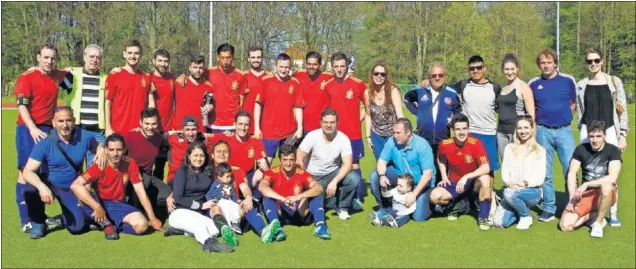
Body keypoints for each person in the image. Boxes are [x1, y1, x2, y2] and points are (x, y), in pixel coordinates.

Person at [21, 107, 107, 239]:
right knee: (30, 188)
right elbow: (27, 171)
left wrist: (101, 148)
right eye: (60, 121)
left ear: (74, 121)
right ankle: (38, 222)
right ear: (53, 123)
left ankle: (64, 218)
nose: (65, 125)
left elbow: (99, 146)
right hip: (50, 184)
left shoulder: (84, 136)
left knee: (77, 228)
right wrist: (43, 188)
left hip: (72, 187)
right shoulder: (45, 141)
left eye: (68, 120)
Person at [14, 43, 68, 233]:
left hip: (48, 130)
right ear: (38, 57)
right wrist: (32, 128)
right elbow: (21, 106)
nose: (49, 61)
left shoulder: (57, 75)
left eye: (52, 58)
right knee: (25, 173)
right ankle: (26, 220)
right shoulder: (26, 78)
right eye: (45, 57)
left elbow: (74, 71)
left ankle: (40, 217)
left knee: (43, 173)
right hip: (28, 129)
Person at [70, 134, 163, 240]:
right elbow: (75, 185)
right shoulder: (100, 164)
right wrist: (96, 206)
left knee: (142, 226)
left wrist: (153, 218)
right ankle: (106, 225)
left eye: (118, 150)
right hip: (100, 203)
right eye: (111, 150)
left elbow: (140, 190)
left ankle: (111, 224)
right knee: (84, 188)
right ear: (106, 150)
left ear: (124, 150)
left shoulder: (130, 162)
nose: (115, 154)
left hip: (118, 205)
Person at [576, 48, 628, 226]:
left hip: (611, 130)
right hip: (587, 132)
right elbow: (580, 111)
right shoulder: (581, 84)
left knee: (610, 172)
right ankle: (588, 208)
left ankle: (612, 212)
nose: (593, 64)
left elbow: (622, 109)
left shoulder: (614, 82)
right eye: (589, 61)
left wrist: (623, 134)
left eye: (596, 60)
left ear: (602, 61)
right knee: (588, 170)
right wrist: (581, 129)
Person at [528, 48, 577, 222]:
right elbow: (531, 107)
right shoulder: (533, 83)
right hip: (543, 131)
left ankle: (573, 206)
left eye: (549, 62)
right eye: (543, 62)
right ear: (539, 65)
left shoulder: (568, 80)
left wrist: (563, 117)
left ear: (555, 62)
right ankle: (549, 207)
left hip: (564, 131)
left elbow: (573, 103)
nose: (546, 65)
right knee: (545, 172)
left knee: (570, 169)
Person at [164, 141, 235, 253]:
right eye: (195, 155)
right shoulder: (182, 171)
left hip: (197, 213)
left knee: (215, 230)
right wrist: (201, 205)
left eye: (201, 155)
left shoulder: (209, 172)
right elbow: (178, 197)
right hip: (179, 212)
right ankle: (209, 243)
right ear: (189, 156)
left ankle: (179, 231)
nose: (198, 159)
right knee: (197, 226)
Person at [206, 140, 280, 244]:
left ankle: (263, 231)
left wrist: (248, 197)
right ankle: (225, 230)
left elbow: (245, 188)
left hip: (233, 207)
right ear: (212, 155)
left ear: (229, 154)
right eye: (219, 151)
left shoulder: (236, 170)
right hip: (215, 209)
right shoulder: (207, 171)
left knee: (247, 205)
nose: (222, 154)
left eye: (225, 151)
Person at [429, 114, 493, 231]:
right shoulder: (445, 144)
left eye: (464, 129)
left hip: (473, 182)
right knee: (434, 196)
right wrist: (444, 176)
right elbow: (440, 159)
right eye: (458, 129)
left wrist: (466, 177)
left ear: (468, 129)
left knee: (485, 178)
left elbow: (486, 168)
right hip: (454, 183)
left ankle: (483, 217)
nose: (461, 132)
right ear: (453, 130)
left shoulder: (476, 143)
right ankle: (460, 204)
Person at [559, 121, 622, 238]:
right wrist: (572, 198)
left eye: (598, 136)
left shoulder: (613, 150)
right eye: (591, 136)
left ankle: (598, 224)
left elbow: (612, 177)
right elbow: (572, 173)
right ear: (588, 136)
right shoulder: (581, 149)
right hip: (587, 194)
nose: (595, 140)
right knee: (565, 226)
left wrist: (587, 184)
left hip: (606, 193)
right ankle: (593, 214)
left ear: (604, 136)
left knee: (607, 186)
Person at [323, 52, 370, 207]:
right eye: (336, 66)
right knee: (336, 165)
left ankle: (357, 197)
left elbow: (368, 107)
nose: (339, 70)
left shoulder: (358, 84)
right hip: (334, 135)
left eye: (342, 66)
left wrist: (358, 119)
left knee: (354, 165)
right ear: (332, 67)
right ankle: (336, 196)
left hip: (353, 134)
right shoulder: (328, 85)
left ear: (347, 66)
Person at [297, 108, 361, 220]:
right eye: (326, 122)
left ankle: (343, 207)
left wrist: (334, 182)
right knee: (312, 207)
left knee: (354, 178)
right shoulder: (312, 136)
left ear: (337, 123)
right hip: (313, 176)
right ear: (320, 123)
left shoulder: (343, 138)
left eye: (332, 122)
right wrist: (306, 180)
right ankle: (330, 201)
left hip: (332, 173)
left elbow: (348, 164)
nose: (329, 125)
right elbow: (299, 158)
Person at [369, 118, 436, 223]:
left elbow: (428, 174)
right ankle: (385, 207)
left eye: (398, 133)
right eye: (394, 132)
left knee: (418, 217)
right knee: (374, 176)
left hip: (421, 183)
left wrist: (414, 195)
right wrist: (382, 175)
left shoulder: (422, 145)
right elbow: (381, 161)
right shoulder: (391, 141)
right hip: (401, 177)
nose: (395, 136)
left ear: (408, 132)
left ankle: (433, 206)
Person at [259, 145, 331, 241]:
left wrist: (298, 197)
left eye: (291, 160)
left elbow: (318, 188)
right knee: (267, 197)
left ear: (295, 159)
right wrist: (283, 199)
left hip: (299, 211)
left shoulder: (301, 173)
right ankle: (277, 228)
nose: (288, 163)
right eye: (285, 160)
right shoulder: (272, 172)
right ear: (280, 160)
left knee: (316, 194)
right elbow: (262, 187)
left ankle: (320, 226)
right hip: (281, 212)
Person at [404, 63, 461, 184]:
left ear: (445, 76)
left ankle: (440, 199)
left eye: (440, 75)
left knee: (442, 171)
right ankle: (425, 197)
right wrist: (417, 113)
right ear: (429, 77)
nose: (437, 78)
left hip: (443, 139)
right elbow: (406, 99)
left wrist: (452, 120)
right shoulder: (420, 90)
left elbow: (458, 110)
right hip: (424, 139)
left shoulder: (451, 93)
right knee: (424, 170)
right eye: (434, 75)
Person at [451, 55, 501, 185]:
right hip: (470, 133)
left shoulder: (494, 87)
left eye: (479, 67)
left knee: (488, 169)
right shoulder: (463, 85)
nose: (476, 70)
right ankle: (469, 200)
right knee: (469, 166)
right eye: (472, 68)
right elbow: (442, 87)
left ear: (485, 69)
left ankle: (489, 198)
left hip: (489, 134)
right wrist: (428, 81)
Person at [492, 115, 546, 230]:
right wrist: (510, 182)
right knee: (499, 223)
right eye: (520, 128)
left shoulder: (540, 150)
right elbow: (505, 172)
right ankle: (518, 209)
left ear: (532, 129)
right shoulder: (509, 148)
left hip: (532, 191)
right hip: (512, 189)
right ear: (516, 130)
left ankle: (526, 216)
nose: (523, 131)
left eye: (526, 128)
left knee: (508, 193)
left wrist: (524, 183)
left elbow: (540, 178)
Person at [60, 44, 108, 168]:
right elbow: (50, 77)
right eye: (91, 56)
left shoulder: (106, 78)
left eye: (98, 57)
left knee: (95, 170)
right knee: (74, 168)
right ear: (85, 57)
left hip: (97, 132)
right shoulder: (72, 75)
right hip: (77, 131)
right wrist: (37, 68)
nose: (94, 60)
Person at [123, 108, 172, 221]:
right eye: (147, 124)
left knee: (168, 194)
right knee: (145, 182)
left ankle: (150, 206)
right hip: (132, 177)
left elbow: (171, 137)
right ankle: (135, 209)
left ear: (158, 123)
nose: (150, 127)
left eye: (154, 124)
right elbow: (115, 153)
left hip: (148, 176)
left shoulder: (158, 138)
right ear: (140, 123)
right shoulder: (129, 137)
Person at [253, 53, 304, 160]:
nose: (284, 70)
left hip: (289, 133)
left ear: (290, 68)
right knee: (264, 166)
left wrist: (300, 128)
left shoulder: (295, 83)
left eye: (286, 67)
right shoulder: (265, 81)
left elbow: (298, 107)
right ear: (276, 66)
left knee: (288, 165)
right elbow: (258, 105)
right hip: (269, 133)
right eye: (281, 67)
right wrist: (257, 128)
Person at [105, 39, 155, 136]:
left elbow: (150, 105)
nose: (133, 56)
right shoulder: (114, 76)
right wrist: (108, 128)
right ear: (124, 54)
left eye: (136, 53)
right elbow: (108, 103)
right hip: (118, 131)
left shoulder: (146, 78)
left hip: (140, 132)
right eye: (130, 53)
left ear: (140, 55)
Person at [496, 53, 535, 158]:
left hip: (517, 132)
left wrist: (532, 137)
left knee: (518, 164)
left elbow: (531, 115)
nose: (510, 72)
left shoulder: (523, 87)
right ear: (503, 70)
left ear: (517, 68)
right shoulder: (503, 87)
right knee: (506, 165)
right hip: (501, 132)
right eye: (507, 69)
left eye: (512, 69)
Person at [165, 116, 221, 185]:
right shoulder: (173, 139)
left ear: (198, 130)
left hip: (196, 180)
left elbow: (223, 137)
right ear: (182, 130)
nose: (191, 133)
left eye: (193, 129)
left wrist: (229, 133)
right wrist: (171, 132)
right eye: (187, 130)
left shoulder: (203, 141)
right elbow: (156, 136)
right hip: (175, 180)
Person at [365, 63, 404, 160]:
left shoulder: (392, 91)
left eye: (382, 74)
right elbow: (368, 115)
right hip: (376, 134)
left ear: (386, 77)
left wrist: (403, 132)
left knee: (394, 162)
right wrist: (368, 136)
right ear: (372, 75)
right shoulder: (367, 92)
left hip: (392, 133)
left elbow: (400, 114)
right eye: (376, 73)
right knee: (380, 162)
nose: (379, 76)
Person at [226, 111, 269, 200]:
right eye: (240, 124)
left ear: (249, 126)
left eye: (246, 124)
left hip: (247, 177)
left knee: (262, 173)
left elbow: (263, 161)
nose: (243, 127)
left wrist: (263, 164)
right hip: (230, 177)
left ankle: (257, 200)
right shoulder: (226, 138)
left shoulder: (255, 141)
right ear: (234, 124)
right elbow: (205, 137)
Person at [205, 43, 247, 133]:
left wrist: (238, 120)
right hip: (213, 123)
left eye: (228, 58)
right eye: (222, 58)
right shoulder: (208, 73)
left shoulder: (240, 75)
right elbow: (194, 76)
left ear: (233, 57)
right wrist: (183, 75)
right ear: (217, 57)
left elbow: (241, 102)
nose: (225, 61)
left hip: (232, 125)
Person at [149, 49, 176, 180]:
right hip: (152, 130)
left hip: (170, 131)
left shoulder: (172, 78)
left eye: (166, 61)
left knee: (171, 166)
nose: (163, 64)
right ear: (153, 61)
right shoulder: (147, 78)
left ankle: (168, 196)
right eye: (160, 60)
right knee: (151, 168)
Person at [293, 51, 333, 135]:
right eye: (309, 64)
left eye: (315, 64)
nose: (311, 67)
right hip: (301, 127)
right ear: (305, 64)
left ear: (320, 64)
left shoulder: (328, 77)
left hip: (321, 127)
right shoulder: (298, 75)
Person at [174, 55, 214, 134]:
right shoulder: (179, 83)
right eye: (195, 67)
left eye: (201, 68)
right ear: (189, 68)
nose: (198, 70)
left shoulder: (208, 87)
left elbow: (209, 104)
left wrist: (211, 106)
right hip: (181, 130)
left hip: (199, 131)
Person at [206, 163, 242, 232]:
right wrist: (211, 201)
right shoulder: (215, 185)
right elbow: (208, 194)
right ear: (219, 177)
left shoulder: (230, 186)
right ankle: (226, 225)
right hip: (220, 202)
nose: (230, 178)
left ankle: (235, 224)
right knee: (225, 206)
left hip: (229, 202)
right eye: (227, 177)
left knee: (236, 207)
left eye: (230, 176)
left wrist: (237, 201)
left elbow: (233, 196)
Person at [242, 45, 270, 135]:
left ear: (262, 58)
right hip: (247, 124)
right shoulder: (243, 76)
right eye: (253, 57)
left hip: (265, 124)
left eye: (258, 57)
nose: (256, 60)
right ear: (248, 59)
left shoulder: (269, 77)